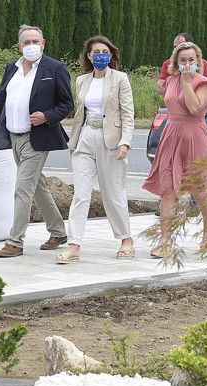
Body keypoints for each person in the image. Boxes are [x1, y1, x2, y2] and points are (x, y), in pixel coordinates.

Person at [0, 25, 73, 258]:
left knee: (23, 188)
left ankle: (15, 241)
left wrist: (47, 116)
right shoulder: (11, 69)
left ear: (43, 44)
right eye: (27, 42)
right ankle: (58, 231)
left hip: (38, 137)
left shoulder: (55, 68)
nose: (31, 46)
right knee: (37, 185)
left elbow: (67, 104)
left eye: (36, 41)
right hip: (14, 136)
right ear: (19, 46)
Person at [58, 35, 135, 263]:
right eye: (96, 52)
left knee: (112, 193)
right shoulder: (82, 80)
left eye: (104, 52)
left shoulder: (120, 79)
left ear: (111, 55)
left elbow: (127, 113)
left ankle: (126, 239)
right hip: (85, 139)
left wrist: (125, 142)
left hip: (110, 139)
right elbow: (79, 114)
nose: (100, 56)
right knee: (81, 194)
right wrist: (74, 142)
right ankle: (74, 245)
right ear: (89, 56)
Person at [142, 42, 207, 258]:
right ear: (175, 61)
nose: (187, 64)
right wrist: (180, 80)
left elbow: (195, 107)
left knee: (199, 188)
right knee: (168, 189)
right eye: (183, 60)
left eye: (191, 60)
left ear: (198, 61)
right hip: (171, 135)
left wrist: (187, 82)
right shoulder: (170, 80)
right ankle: (165, 239)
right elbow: (170, 105)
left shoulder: (204, 82)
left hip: (194, 137)